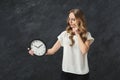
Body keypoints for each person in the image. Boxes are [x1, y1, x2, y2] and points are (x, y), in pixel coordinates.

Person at [28, 8, 94, 80]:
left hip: (81, 75)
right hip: (66, 73)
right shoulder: (64, 34)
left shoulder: (87, 35)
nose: (70, 22)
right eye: (69, 19)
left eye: (73, 19)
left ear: (80, 20)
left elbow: (84, 51)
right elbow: (52, 51)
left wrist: (77, 34)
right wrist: (36, 51)